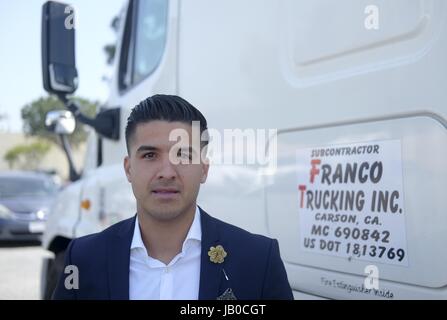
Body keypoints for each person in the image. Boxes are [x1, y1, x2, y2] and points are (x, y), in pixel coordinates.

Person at [53, 94, 293, 300]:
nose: (167, 172)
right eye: (149, 155)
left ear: (203, 170)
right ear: (128, 168)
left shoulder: (259, 260)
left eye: (184, 155)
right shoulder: (83, 259)